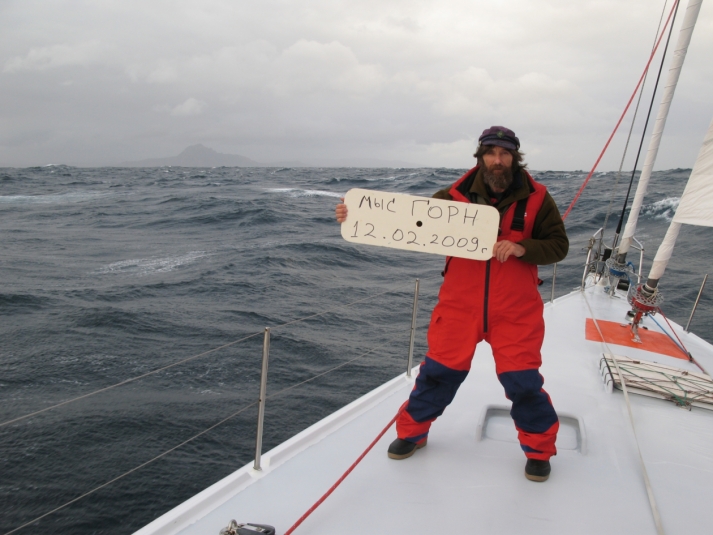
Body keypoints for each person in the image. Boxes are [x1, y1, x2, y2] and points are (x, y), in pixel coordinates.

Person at [335, 126, 568, 482]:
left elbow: (558, 245)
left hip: (516, 311)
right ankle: (412, 432)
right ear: (480, 157)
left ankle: (538, 450)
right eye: (491, 153)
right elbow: (405, 224)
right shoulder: (451, 196)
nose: (497, 161)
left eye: (505, 154)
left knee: (523, 382)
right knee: (438, 373)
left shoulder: (539, 198)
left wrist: (524, 248)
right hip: (459, 308)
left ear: (515, 158)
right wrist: (356, 217)